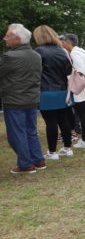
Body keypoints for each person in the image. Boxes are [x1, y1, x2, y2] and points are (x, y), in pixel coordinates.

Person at [1, 24, 46, 173]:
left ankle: (26, 164)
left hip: (14, 100)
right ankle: (38, 160)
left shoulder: (10, 57)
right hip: (31, 99)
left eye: (8, 36)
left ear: (17, 39)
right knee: (31, 131)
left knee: (16, 133)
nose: (5, 38)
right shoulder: (36, 55)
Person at [32, 25, 74, 160]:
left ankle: (52, 152)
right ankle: (67, 148)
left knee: (51, 122)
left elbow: (34, 72)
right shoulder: (62, 51)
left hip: (46, 91)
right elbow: (69, 70)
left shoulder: (38, 51)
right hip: (63, 90)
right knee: (63, 119)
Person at [60, 34, 85, 149]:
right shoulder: (82, 51)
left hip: (81, 87)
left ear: (68, 43)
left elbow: (80, 70)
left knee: (84, 114)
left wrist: (69, 77)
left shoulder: (74, 53)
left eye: (63, 42)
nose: (62, 44)